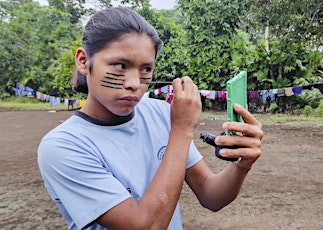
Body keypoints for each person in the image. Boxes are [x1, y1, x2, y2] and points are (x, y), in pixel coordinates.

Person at [37, 7, 263, 230]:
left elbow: (210, 194)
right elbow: (145, 226)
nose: (135, 83)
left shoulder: (161, 113)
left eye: (146, 69)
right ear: (84, 61)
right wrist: (182, 130)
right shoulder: (63, 146)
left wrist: (243, 163)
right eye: (120, 66)